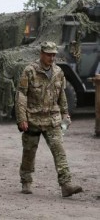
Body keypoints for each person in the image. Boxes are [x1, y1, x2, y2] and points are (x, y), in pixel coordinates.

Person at [15, 41, 83, 197]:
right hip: (33, 119)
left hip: (52, 119)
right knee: (29, 152)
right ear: (41, 54)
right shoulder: (30, 71)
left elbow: (62, 95)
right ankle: (26, 180)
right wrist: (21, 118)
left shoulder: (59, 72)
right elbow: (21, 95)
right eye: (48, 54)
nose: (51, 57)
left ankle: (66, 185)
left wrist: (65, 113)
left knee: (59, 150)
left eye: (53, 54)